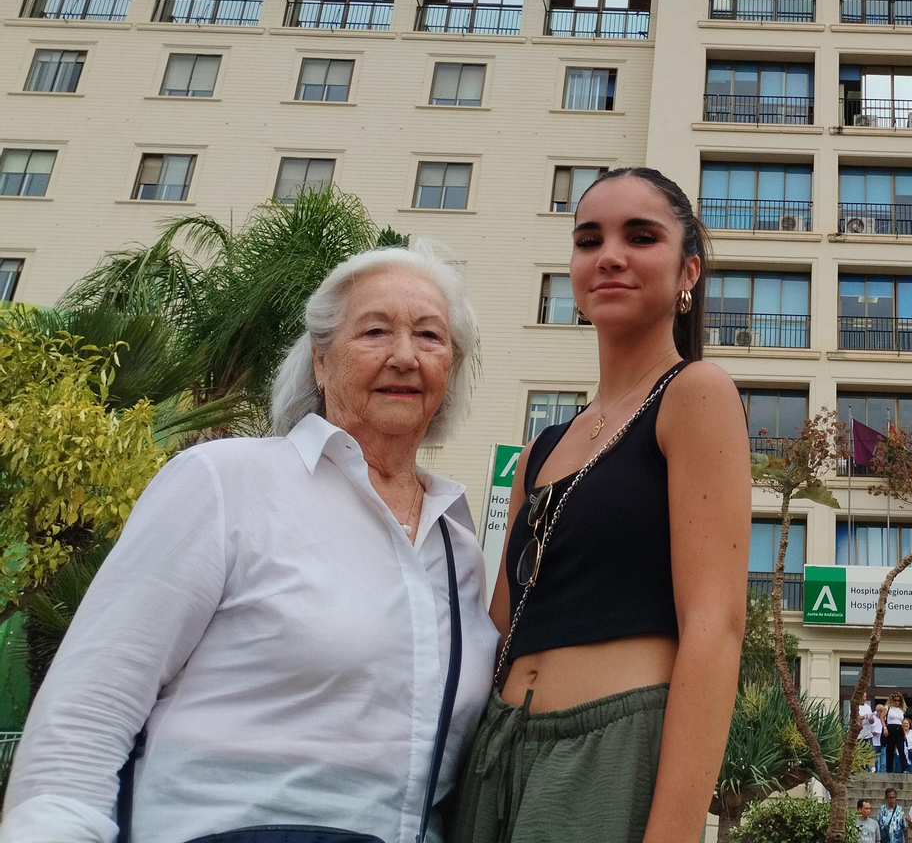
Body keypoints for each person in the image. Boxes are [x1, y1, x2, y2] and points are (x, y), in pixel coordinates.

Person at [0, 242, 499, 842]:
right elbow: (86, 714)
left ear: (453, 367)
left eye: (429, 336)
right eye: (373, 332)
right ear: (320, 359)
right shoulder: (225, 481)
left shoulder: (457, 547)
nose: (403, 357)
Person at [452, 167, 750, 843]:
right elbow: (496, 626)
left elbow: (715, 627)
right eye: (589, 239)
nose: (609, 254)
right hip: (495, 753)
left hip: (608, 750)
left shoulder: (695, 395)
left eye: (640, 236)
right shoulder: (541, 448)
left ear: (688, 273)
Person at [885, 691, 909, 773]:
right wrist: (885, 728)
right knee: (890, 750)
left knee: (901, 750)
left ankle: (904, 769)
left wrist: (905, 733)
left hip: (899, 729)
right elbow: (882, 717)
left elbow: (902, 721)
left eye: (898, 700)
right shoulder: (888, 707)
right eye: (895, 700)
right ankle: (889, 770)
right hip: (890, 728)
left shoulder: (901, 710)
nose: (897, 702)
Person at [871, 701, 887, 771]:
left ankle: (883, 774)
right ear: (878, 711)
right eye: (882, 711)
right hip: (873, 742)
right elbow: (868, 728)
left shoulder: (885, 720)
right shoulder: (872, 718)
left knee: (883, 761)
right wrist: (872, 733)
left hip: (882, 742)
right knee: (874, 760)